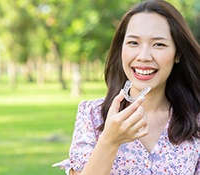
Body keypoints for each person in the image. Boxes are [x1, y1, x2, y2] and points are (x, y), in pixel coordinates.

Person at [53, 0, 200, 174]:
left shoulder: (195, 121)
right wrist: (110, 140)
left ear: (178, 54)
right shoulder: (92, 116)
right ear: (121, 48)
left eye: (159, 44)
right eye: (133, 43)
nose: (144, 56)